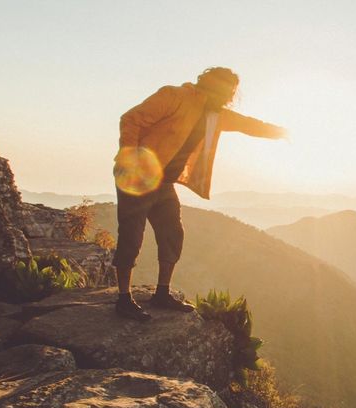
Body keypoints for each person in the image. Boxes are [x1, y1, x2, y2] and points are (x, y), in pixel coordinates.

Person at [111, 67, 286, 321]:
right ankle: (124, 299)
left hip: (163, 182)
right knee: (131, 235)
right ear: (211, 85)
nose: (228, 96)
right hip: (137, 177)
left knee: (172, 233)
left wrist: (281, 132)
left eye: (230, 92)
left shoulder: (216, 115)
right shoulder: (174, 96)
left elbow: (248, 125)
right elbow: (131, 119)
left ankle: (162, 293)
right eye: (225, 91)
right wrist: (130, 155)